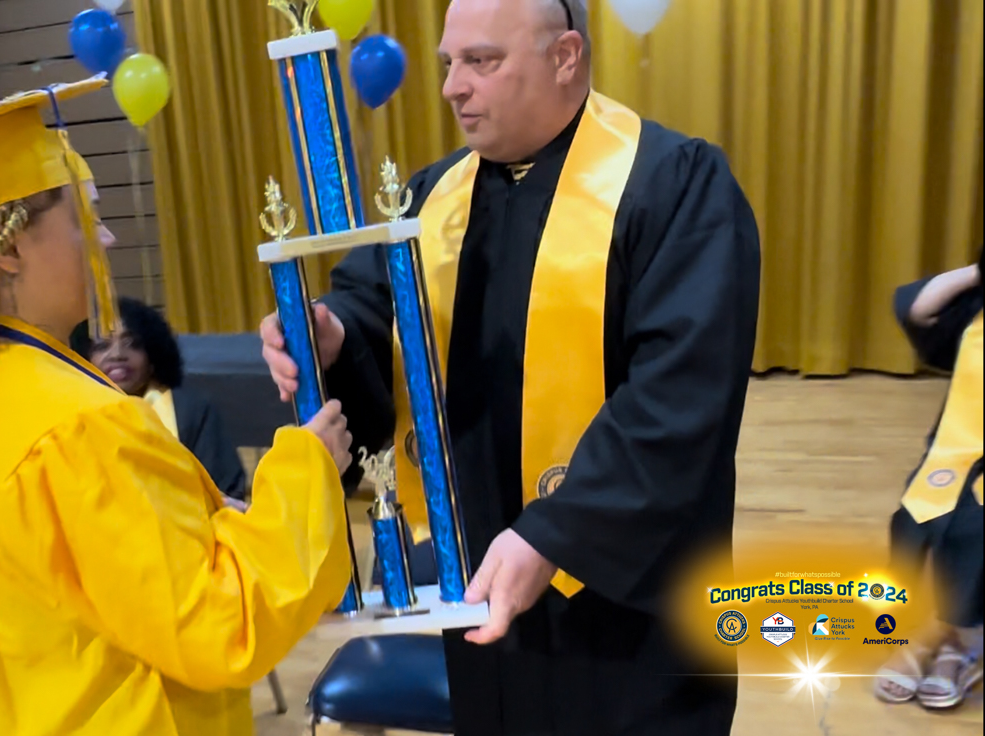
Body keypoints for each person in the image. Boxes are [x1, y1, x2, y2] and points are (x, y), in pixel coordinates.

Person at [260, 0, 760, 733]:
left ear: (565, 58)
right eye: (448, 65)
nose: (452, 88)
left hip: (630, 603)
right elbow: (366, 305)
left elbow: (683, 394)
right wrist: (331, 338)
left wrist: (555, 531)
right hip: (486, 583)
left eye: (481, 62)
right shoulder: (431, 201)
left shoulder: (674, 185)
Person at [0, 76, 353, 736]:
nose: (105, 239)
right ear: (9, 248)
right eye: (83, 217)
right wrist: (307, 472)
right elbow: (220, 624)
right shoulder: (72, 423)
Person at [875, 254, 982, 709]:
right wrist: (980, 272)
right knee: (913, 520)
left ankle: (960, 648)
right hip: (960, 445)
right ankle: (922, 632)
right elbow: (919, 310)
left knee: (972, 530)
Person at [70, 297, 249, 506]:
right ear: (83, 358)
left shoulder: (189, 410)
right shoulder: (72, 420)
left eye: (133, 344)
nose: (117, 354)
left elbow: (224, 490)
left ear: (153, 355)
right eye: (102, 345)